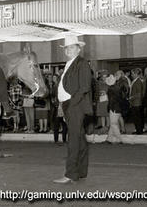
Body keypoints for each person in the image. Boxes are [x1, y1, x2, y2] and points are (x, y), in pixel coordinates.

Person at [53, 35, 92, 184]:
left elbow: (84, 87)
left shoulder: (81, 63)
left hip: (75, 105)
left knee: (73, 140)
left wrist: (70, 105)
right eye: (66, 48)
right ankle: (80, 172)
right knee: (79, 139)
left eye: (71, 47)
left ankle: (70, 174)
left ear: (78, 48)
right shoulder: (70, 63)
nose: (68, 50)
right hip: (68, 105)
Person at [106, 74, 122, 144]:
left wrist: (109, 108)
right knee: (114, 123)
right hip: (118, 108)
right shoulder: (117, 88)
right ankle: (109, 139)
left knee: (113, 124)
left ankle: (119, 139)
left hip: (113, 108)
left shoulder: (110, 89)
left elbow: (111, 100)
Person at [129, 68, 145, 135]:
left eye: (132, 73)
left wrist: (132, 97)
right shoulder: (135, 81)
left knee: (138, 118)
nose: (131, 75)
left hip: (137, 102)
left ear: (136, 74)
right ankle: (138, 130)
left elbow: (139, 93)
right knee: (136, 117)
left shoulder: (138, 82)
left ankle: (139, 131)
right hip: (134, 102)